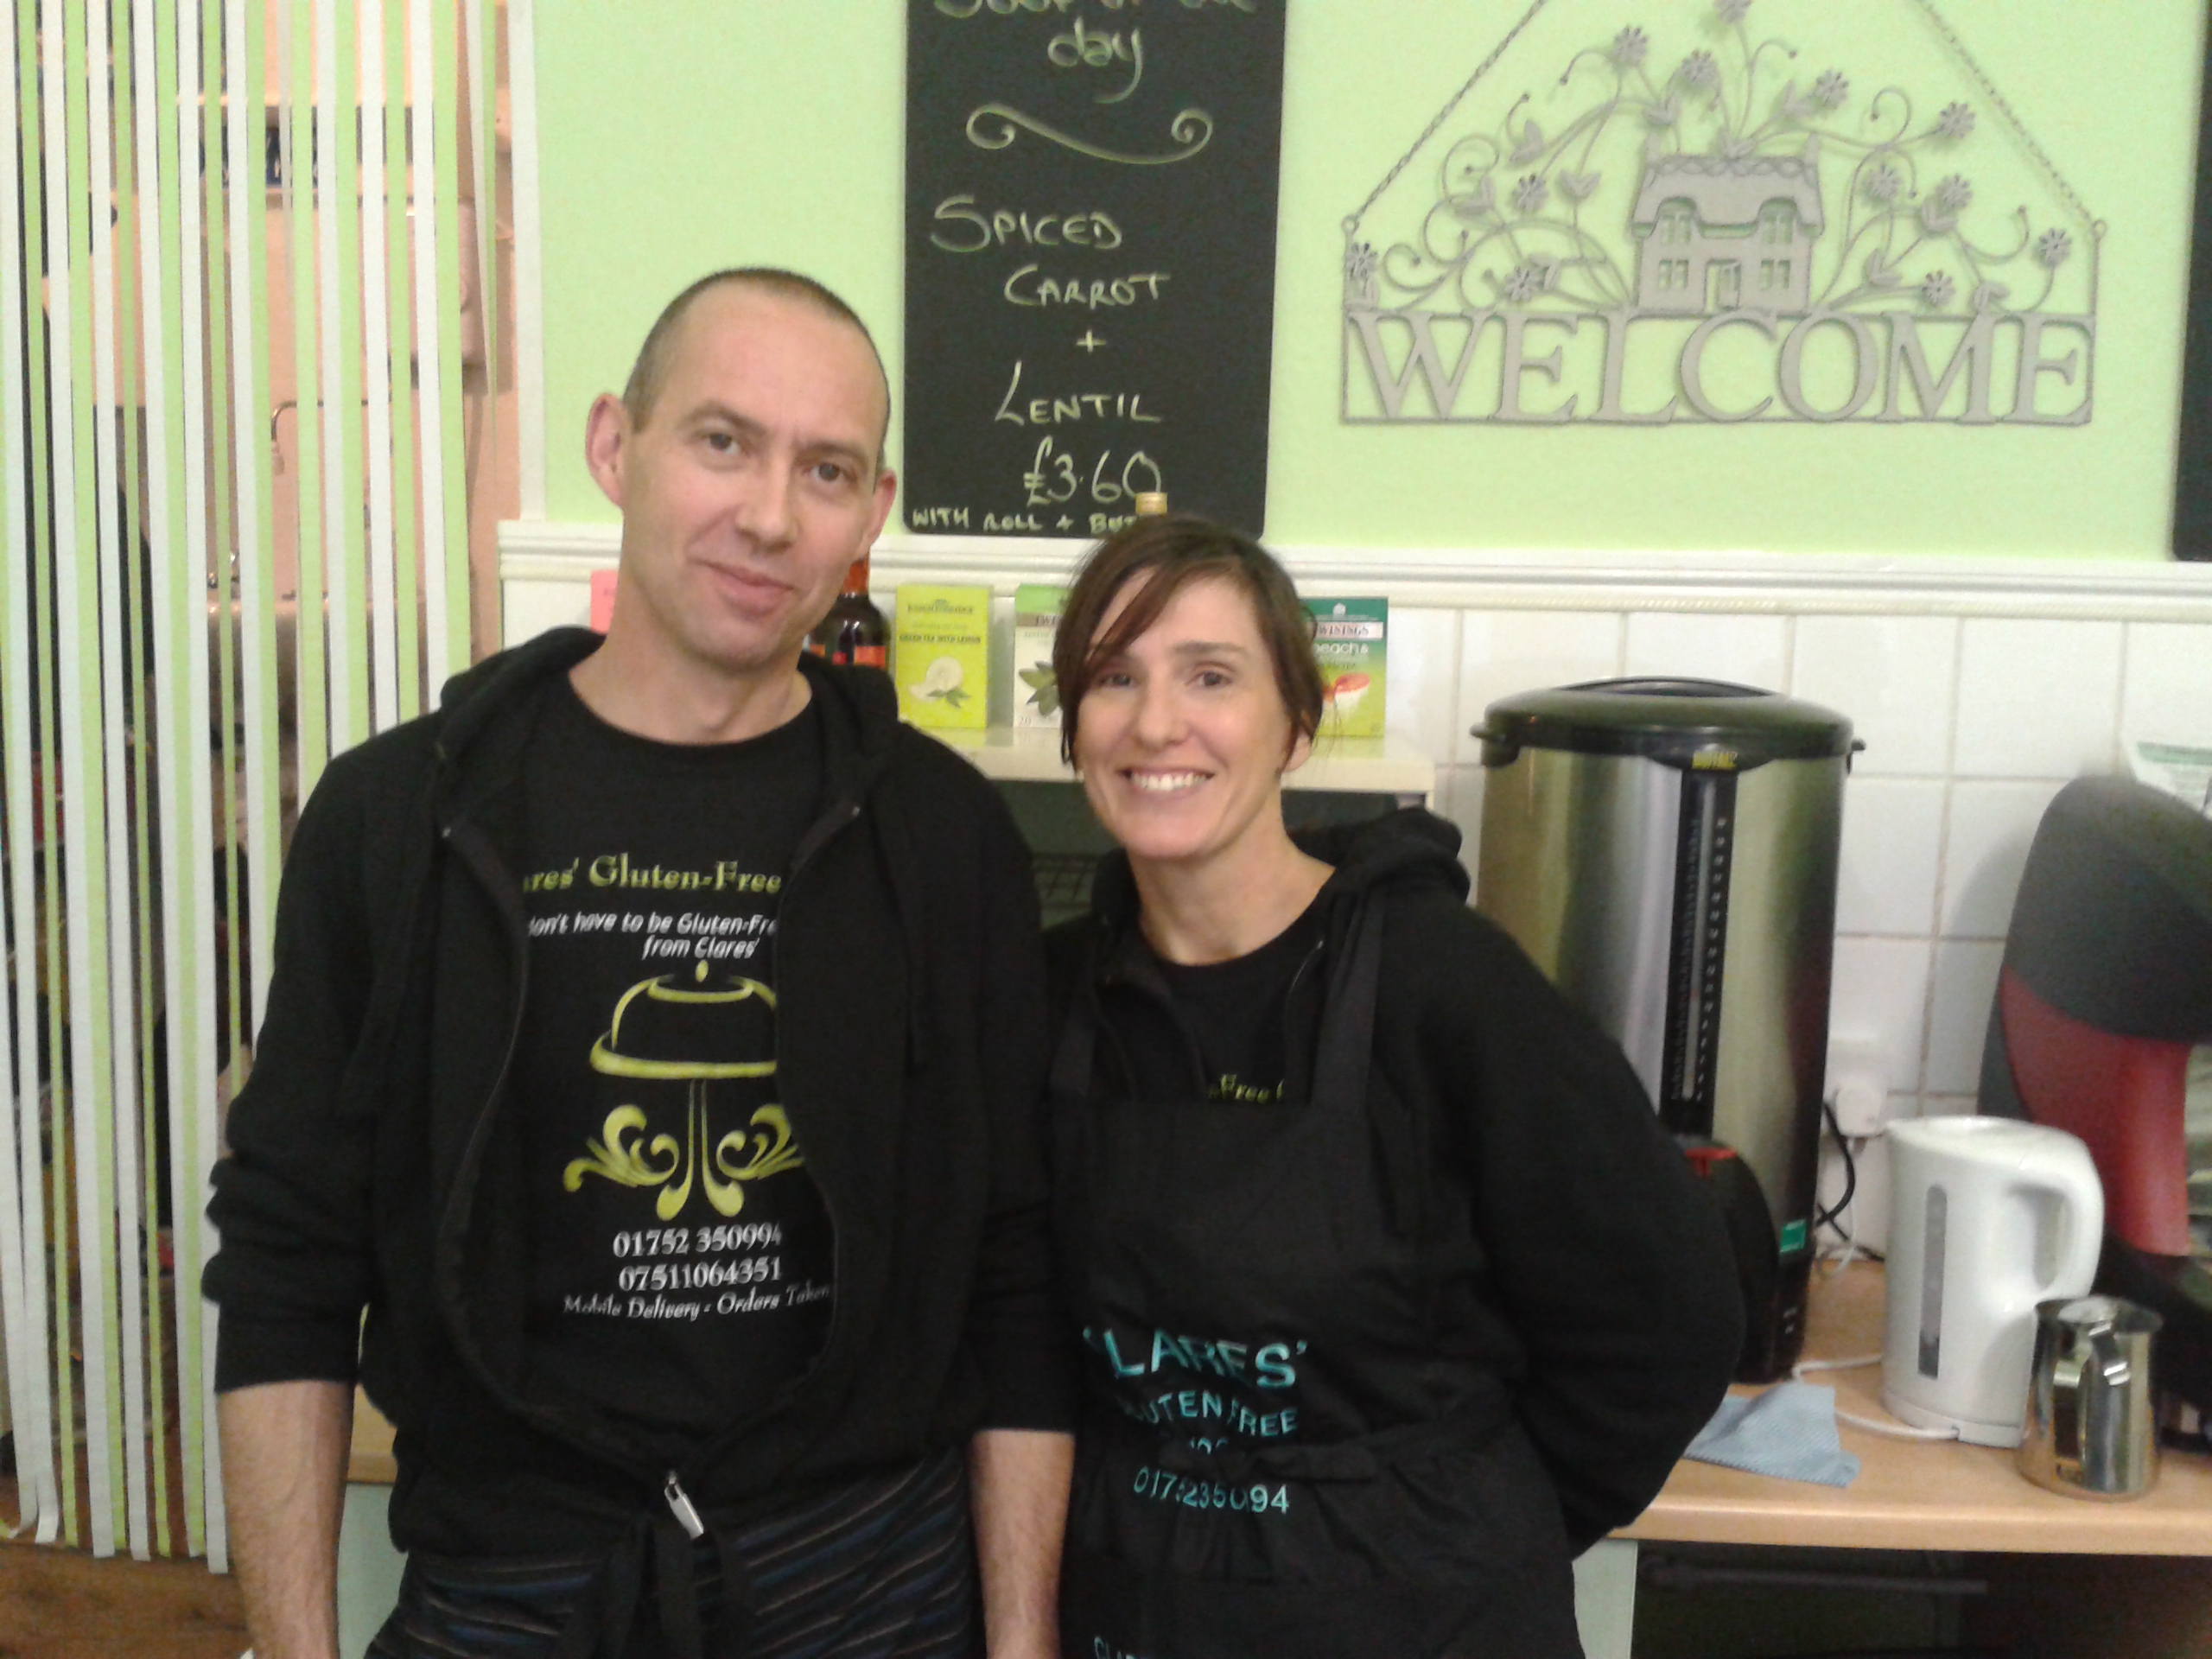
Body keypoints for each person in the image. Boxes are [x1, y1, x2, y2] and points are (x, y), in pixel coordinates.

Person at [205, 268, 1076, 1659]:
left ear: (873, 511)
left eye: (826, 470)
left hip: (865, 1580)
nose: (771, 515)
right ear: (617, 446)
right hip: (516, 1575)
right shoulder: (399, 817)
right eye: (723, 441)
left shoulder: (944, 835)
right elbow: (287, 1262)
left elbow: (1013, 1268)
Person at [1042, 514, 1743, 1658]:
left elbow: (1669, 1318)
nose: (1156, 722)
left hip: (1430, 1619)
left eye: (1210, 675)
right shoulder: (1048, 1001)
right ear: (1075, 727)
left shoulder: (1446, 986)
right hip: (1142, 1612)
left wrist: (1475, 1523)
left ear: (1297, 725)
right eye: (1114, 677)